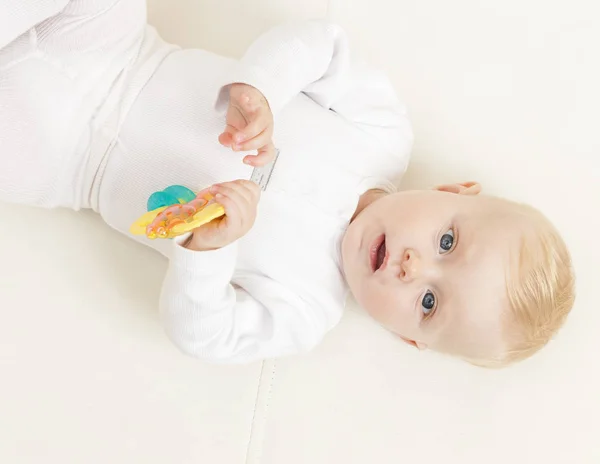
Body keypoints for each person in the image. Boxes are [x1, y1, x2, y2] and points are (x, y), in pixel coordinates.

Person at [0, 1, 574, 367]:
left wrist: (209, 255)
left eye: (428, 302)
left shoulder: (304, 310)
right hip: (126, 50)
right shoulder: (380, 133)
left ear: (409, 339)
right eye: (447, 243)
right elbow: (322, 45)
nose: (412, 267)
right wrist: (263, 90)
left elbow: (204, 336)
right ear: (453, 193)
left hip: (68, 158)